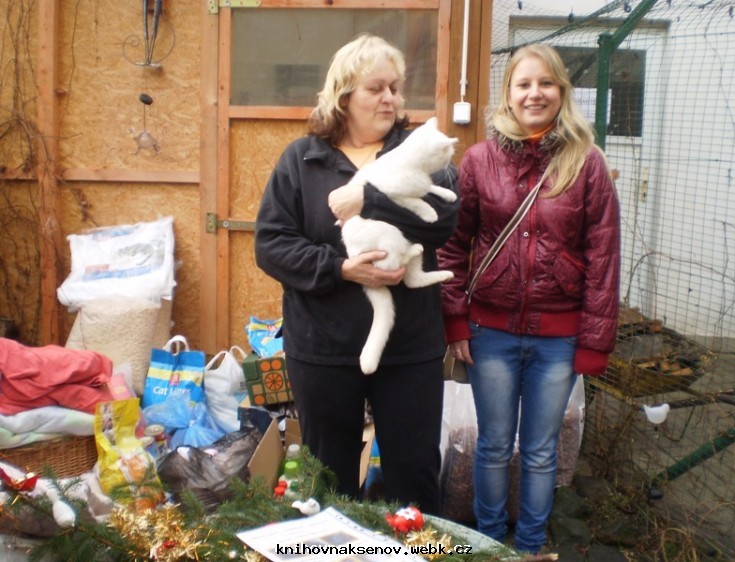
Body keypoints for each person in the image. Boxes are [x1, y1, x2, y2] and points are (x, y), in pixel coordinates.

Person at [254, 33, 459, 513]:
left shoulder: (415, 151)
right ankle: (338, 546)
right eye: (375, 88)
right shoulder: (302, 160)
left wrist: (369, 199)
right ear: (344, 96)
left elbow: (443, 222)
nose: (390, 98)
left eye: (395, 88)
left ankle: (414, 545)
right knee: (330, 480)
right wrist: (341, 269)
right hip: (323, 347)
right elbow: (272, 245)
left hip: (408, 347)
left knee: (414, 475)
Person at [438, 44, 620, 553]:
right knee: (494, 445)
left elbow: (604, 256)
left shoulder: (587, 163)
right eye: (524, 84)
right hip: (489, 333)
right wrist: (455, 322)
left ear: (561, 91)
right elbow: (451, 247)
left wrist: (595, 342)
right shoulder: (479, 160)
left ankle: (531, 548)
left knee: (541, 452)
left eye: (545, 83)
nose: (534, 93)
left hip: (559, 339)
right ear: (509, 94)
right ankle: (489, 545)